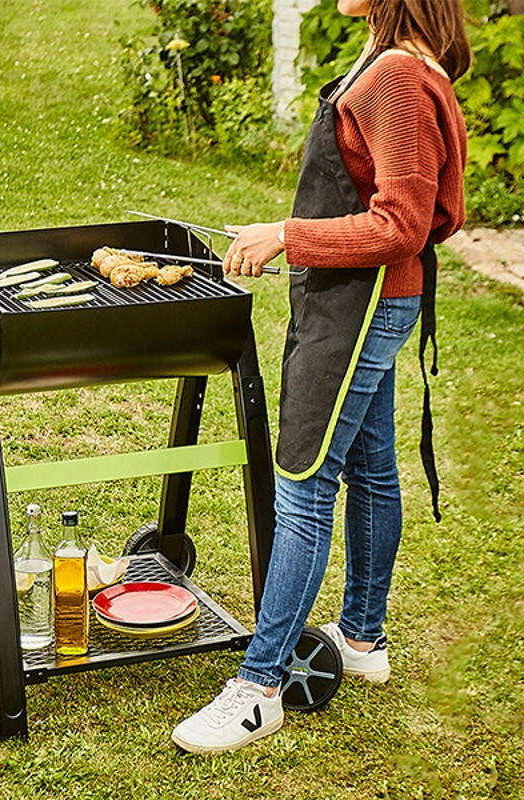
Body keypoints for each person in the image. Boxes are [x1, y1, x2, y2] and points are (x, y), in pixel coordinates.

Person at [172, 0, 471, 755]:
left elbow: (405, 223)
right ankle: (362, 638)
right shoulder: (398, 60)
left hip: (363, 308)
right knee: (371, 467)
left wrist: (286, 235)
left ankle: (259, 688)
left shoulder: (397, 76)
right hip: (365, 301)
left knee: (304, 483)